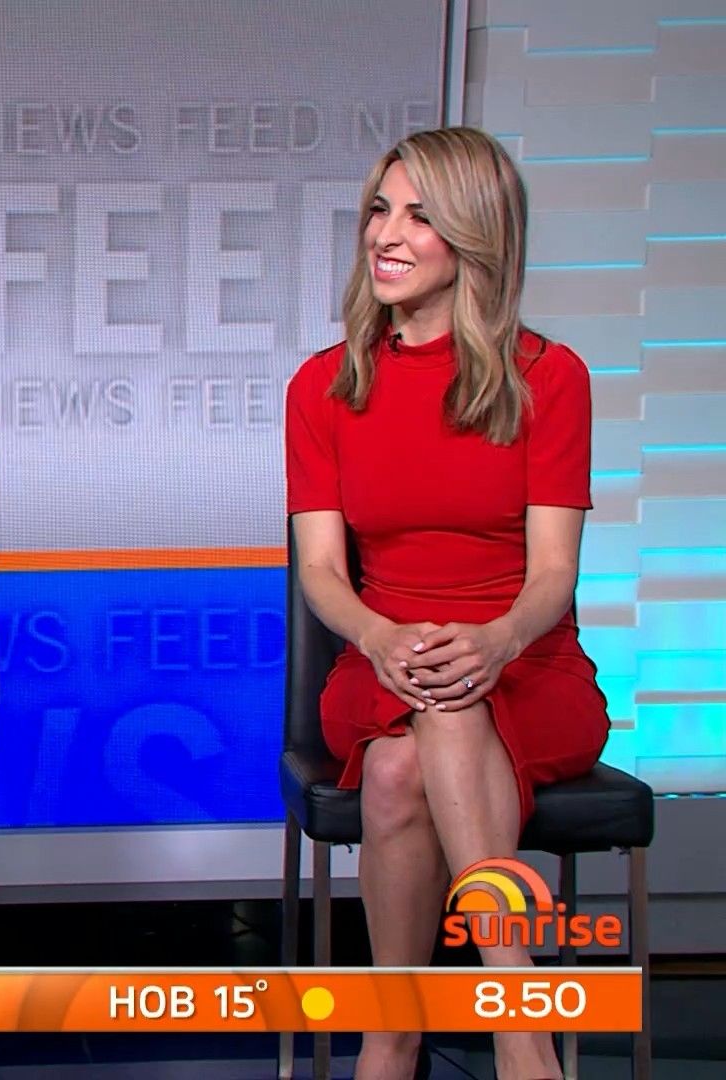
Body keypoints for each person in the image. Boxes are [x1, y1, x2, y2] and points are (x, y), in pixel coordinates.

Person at [285, 126, 608, 1080]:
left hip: (530, 665)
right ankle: (519, 1027)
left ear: (475, 235)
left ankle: (396, 1039)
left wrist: (497, 639)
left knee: (403, 767)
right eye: (380, 210)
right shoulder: (324, 386)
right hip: (379, 660)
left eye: (420, 216)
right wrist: (380, 635)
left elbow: (553, 574)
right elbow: (322, 573)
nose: (386, 235)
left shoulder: (550, 377)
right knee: (430, 703)